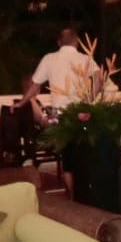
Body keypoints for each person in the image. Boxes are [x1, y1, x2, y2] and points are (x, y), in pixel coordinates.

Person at [15, 27, 99, 194]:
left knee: (67, 159)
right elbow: (99, 78)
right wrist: (90, 99)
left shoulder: (49, 58)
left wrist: (22, 102)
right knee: (81, 154)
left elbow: (34, 85)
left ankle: (72, 195)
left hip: (56, 113)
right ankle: (82, 194)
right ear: (76, 42)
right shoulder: (85, 58)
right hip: (80, 111)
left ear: (59, 42)